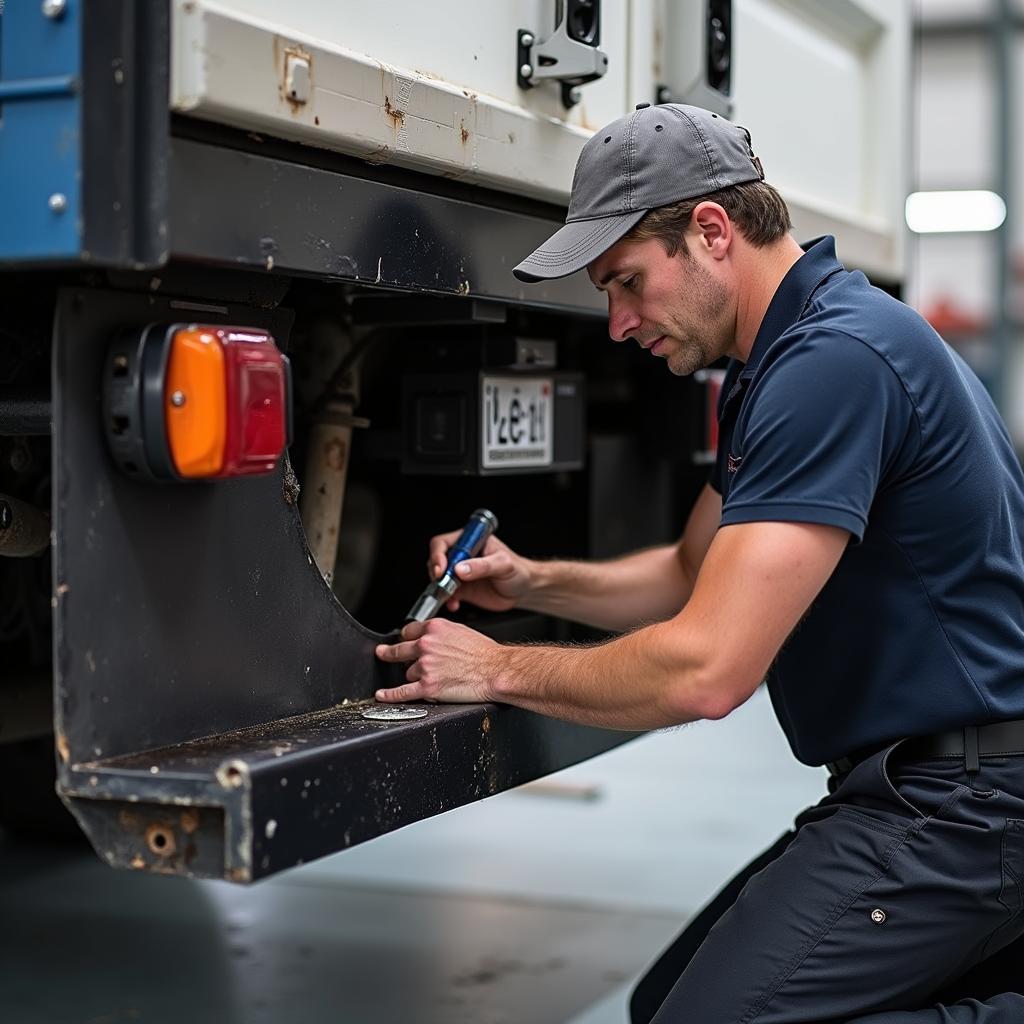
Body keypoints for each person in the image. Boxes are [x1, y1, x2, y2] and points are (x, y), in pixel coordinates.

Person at [374, 103, 1024, 1022]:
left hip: (965, 807)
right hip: (924, 790)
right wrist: (531, 581)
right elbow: (692, 571)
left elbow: (709, 670)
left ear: (711, 233)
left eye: (628, 281)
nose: (616, 323)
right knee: (661, 1005)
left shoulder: (832, 363)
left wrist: (498, 668)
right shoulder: (785, 358)